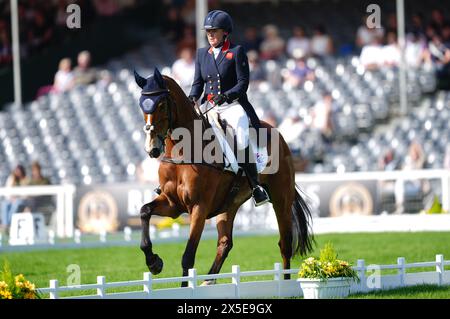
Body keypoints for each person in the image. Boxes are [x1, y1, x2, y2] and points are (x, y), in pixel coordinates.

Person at [186, 10, 269, 206]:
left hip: (232, 105)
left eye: (215, 31)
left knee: (240, 135)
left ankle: (255, 185)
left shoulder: (237, 51)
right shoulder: (201, 54)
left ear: (225, 32)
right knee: (186, 131)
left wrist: (226, 96)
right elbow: (198, 83)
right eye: (208, 32)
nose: (211, 35)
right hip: (209, 106)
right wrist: (191, 98)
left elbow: (242, 83)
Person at [0, 165, 29, 229]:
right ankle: (5, 224)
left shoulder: (25, 179)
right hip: (11, 199)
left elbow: (25, 194)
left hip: (21, 200)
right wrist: (11, 198)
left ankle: (8, 224)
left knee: (16, 204)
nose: (18, 173)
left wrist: (16, 198)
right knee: (4, 204)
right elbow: (7, 192)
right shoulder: (11, 178)